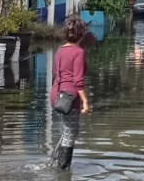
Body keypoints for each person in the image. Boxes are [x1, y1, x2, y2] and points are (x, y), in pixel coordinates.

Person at [51, 16, 92, 171]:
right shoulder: (78, 52)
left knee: (70, 129)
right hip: (69, 97)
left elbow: (56, 73)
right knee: (70, 132)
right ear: (81, 35)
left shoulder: (60, 50)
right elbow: (78, 81)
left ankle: (57, 161)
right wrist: (85, 101)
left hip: (57, 95)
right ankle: (62, 168)